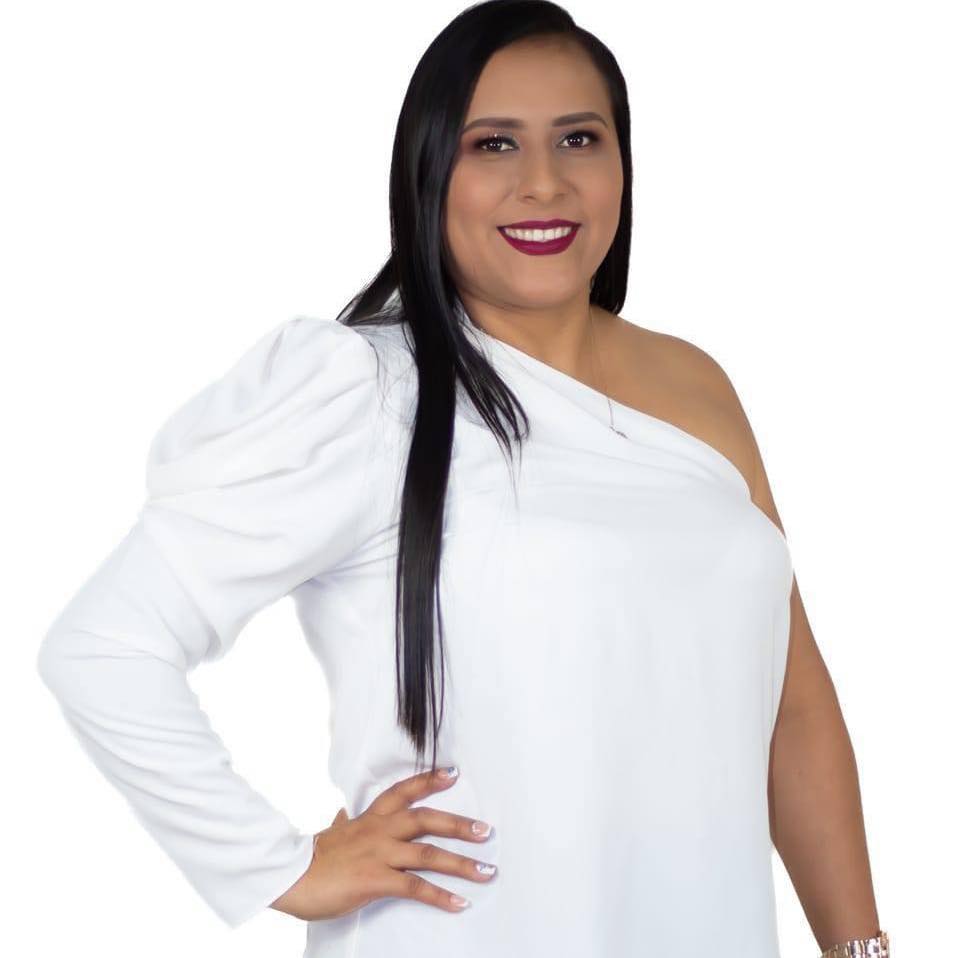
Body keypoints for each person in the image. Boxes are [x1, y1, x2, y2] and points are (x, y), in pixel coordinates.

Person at [36, 2, 888, 956]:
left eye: (579, 138)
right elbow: (105, 646)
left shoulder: (695, 383)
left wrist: (860, 950)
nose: (544, 182)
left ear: (623, 162)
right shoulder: (365, 390)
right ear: (429, 167)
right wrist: (277, 867)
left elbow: (793, 708)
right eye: (494, 144)